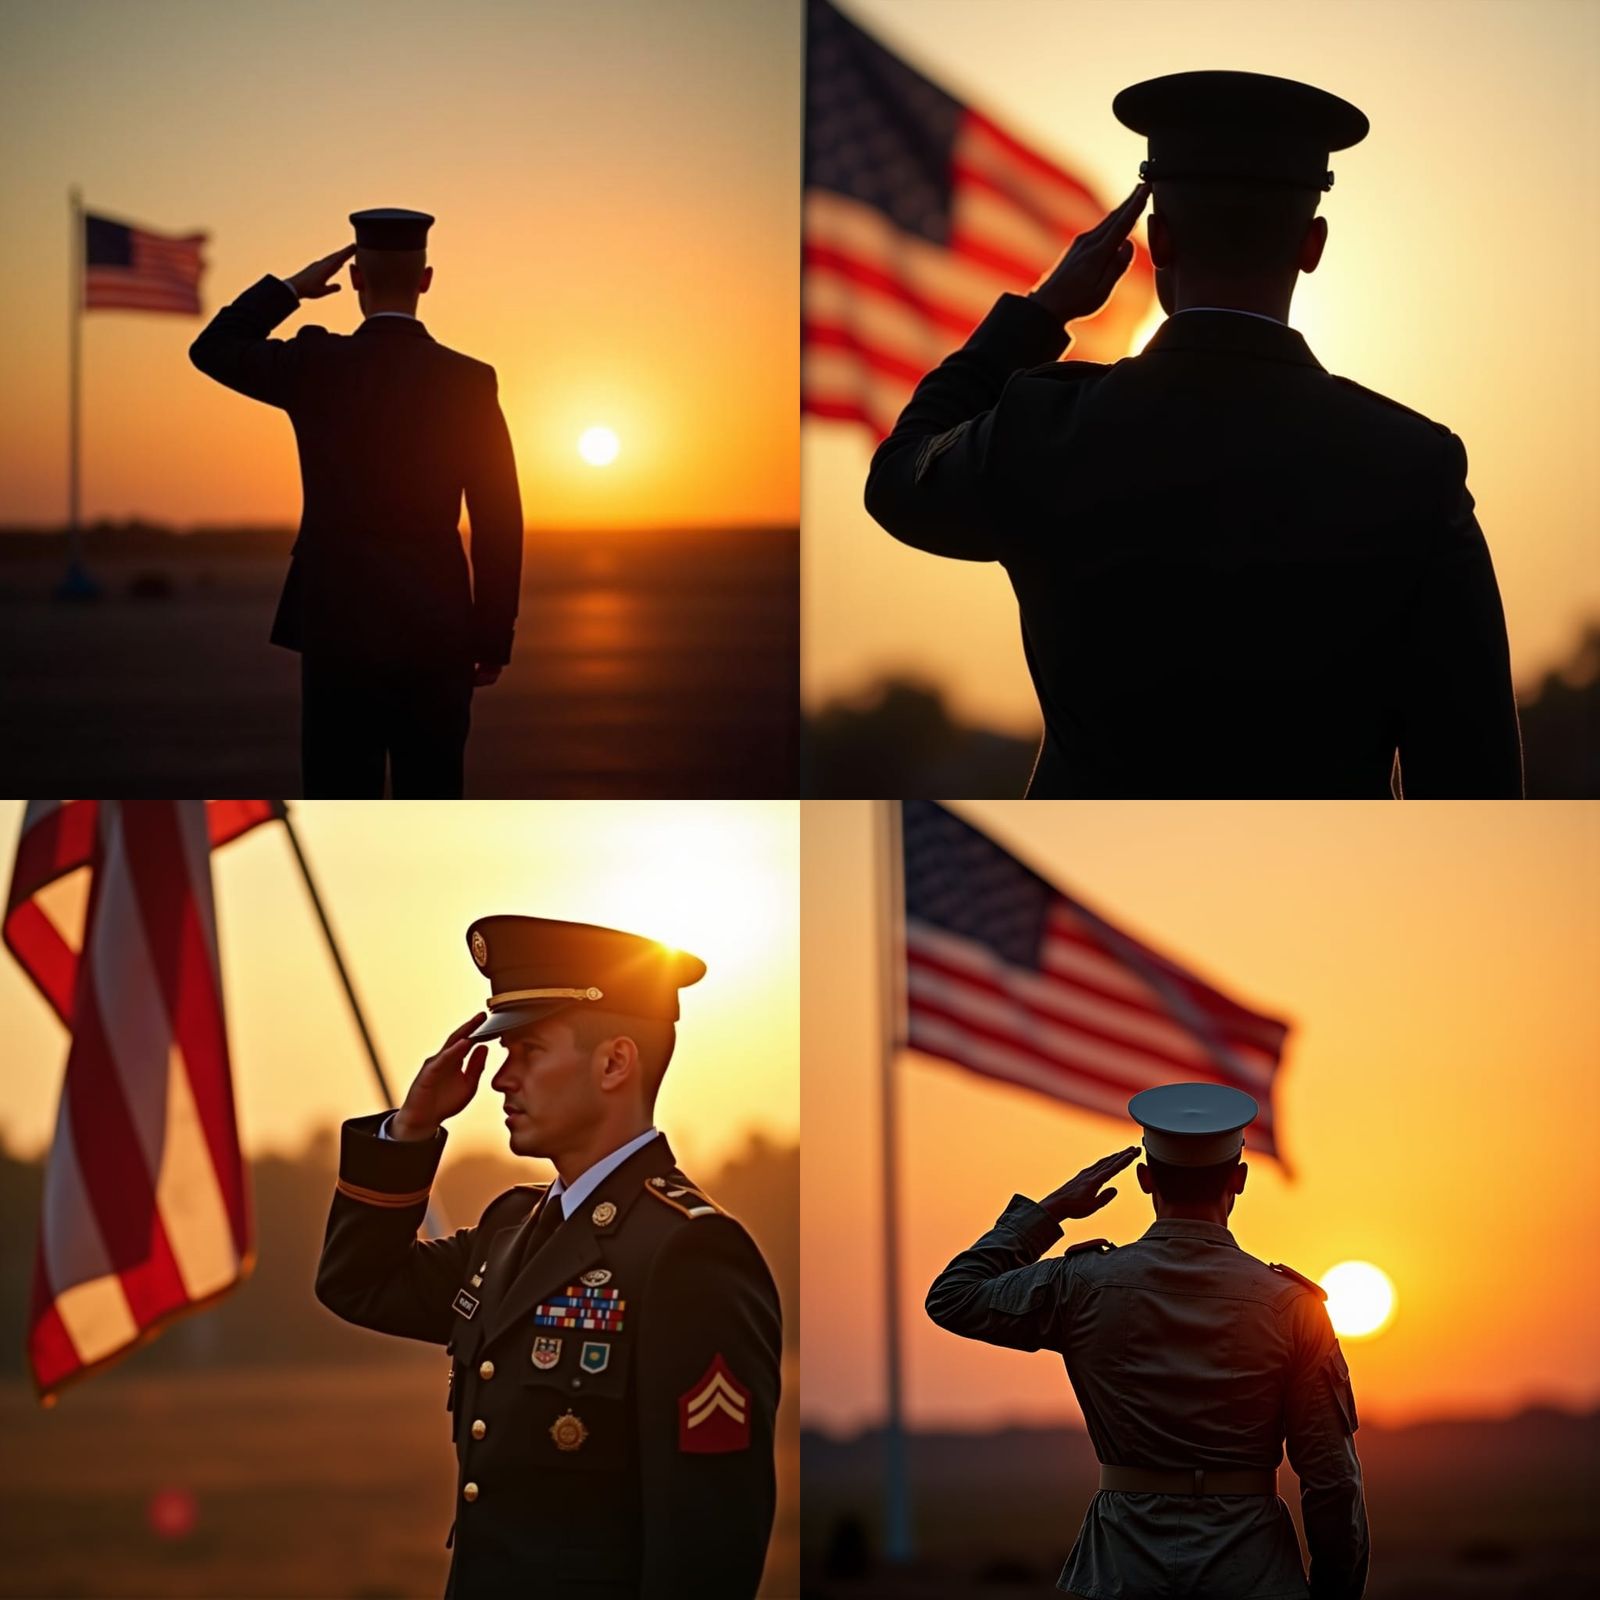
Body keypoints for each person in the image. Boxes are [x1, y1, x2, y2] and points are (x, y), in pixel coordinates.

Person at [864, 69, 1523, 799]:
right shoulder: (1410, 466)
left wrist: (1041, 313)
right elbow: (1473, 774)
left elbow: (898, 478)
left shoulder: (1047, 429)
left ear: (1156, 240)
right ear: (1312, 244)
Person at [315, 916, 782, 1598]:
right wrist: (412, 1129)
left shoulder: (688, 1252)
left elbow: (705, 1542)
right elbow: (360, 1283)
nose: (502, 1080)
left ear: (615, 1063)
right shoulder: (513, 1227)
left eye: (528, 1050)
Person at [926, 1082, 1370, 1600]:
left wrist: (1048, 1213)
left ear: (1143, 1178)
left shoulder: (1082, 1285)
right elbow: (1332, 1483)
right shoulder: (1293, 1308)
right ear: (1240, 1179)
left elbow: (953, 1297)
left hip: (1120, 1567)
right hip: (1250, 1572)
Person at [189, 208, 523, 799]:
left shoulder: (317, 364)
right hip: (438, 625)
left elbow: (214, 348)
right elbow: (498, 518)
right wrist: (491, 635)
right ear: (426, 280)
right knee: (433, 793)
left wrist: (291, 289)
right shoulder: (469, 381)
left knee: (339, 787)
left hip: (336, 622)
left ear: (356, 280)